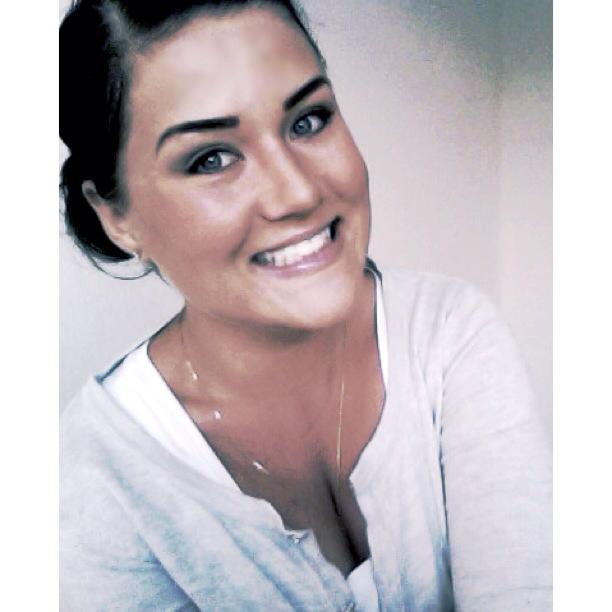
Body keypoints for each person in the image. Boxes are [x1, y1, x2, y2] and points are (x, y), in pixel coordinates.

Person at [59, 0, 552, 610]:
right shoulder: (93, 487)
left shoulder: (447, 333)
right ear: (117, 217)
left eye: (308, 120)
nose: (297, 192)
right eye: (211, 158)